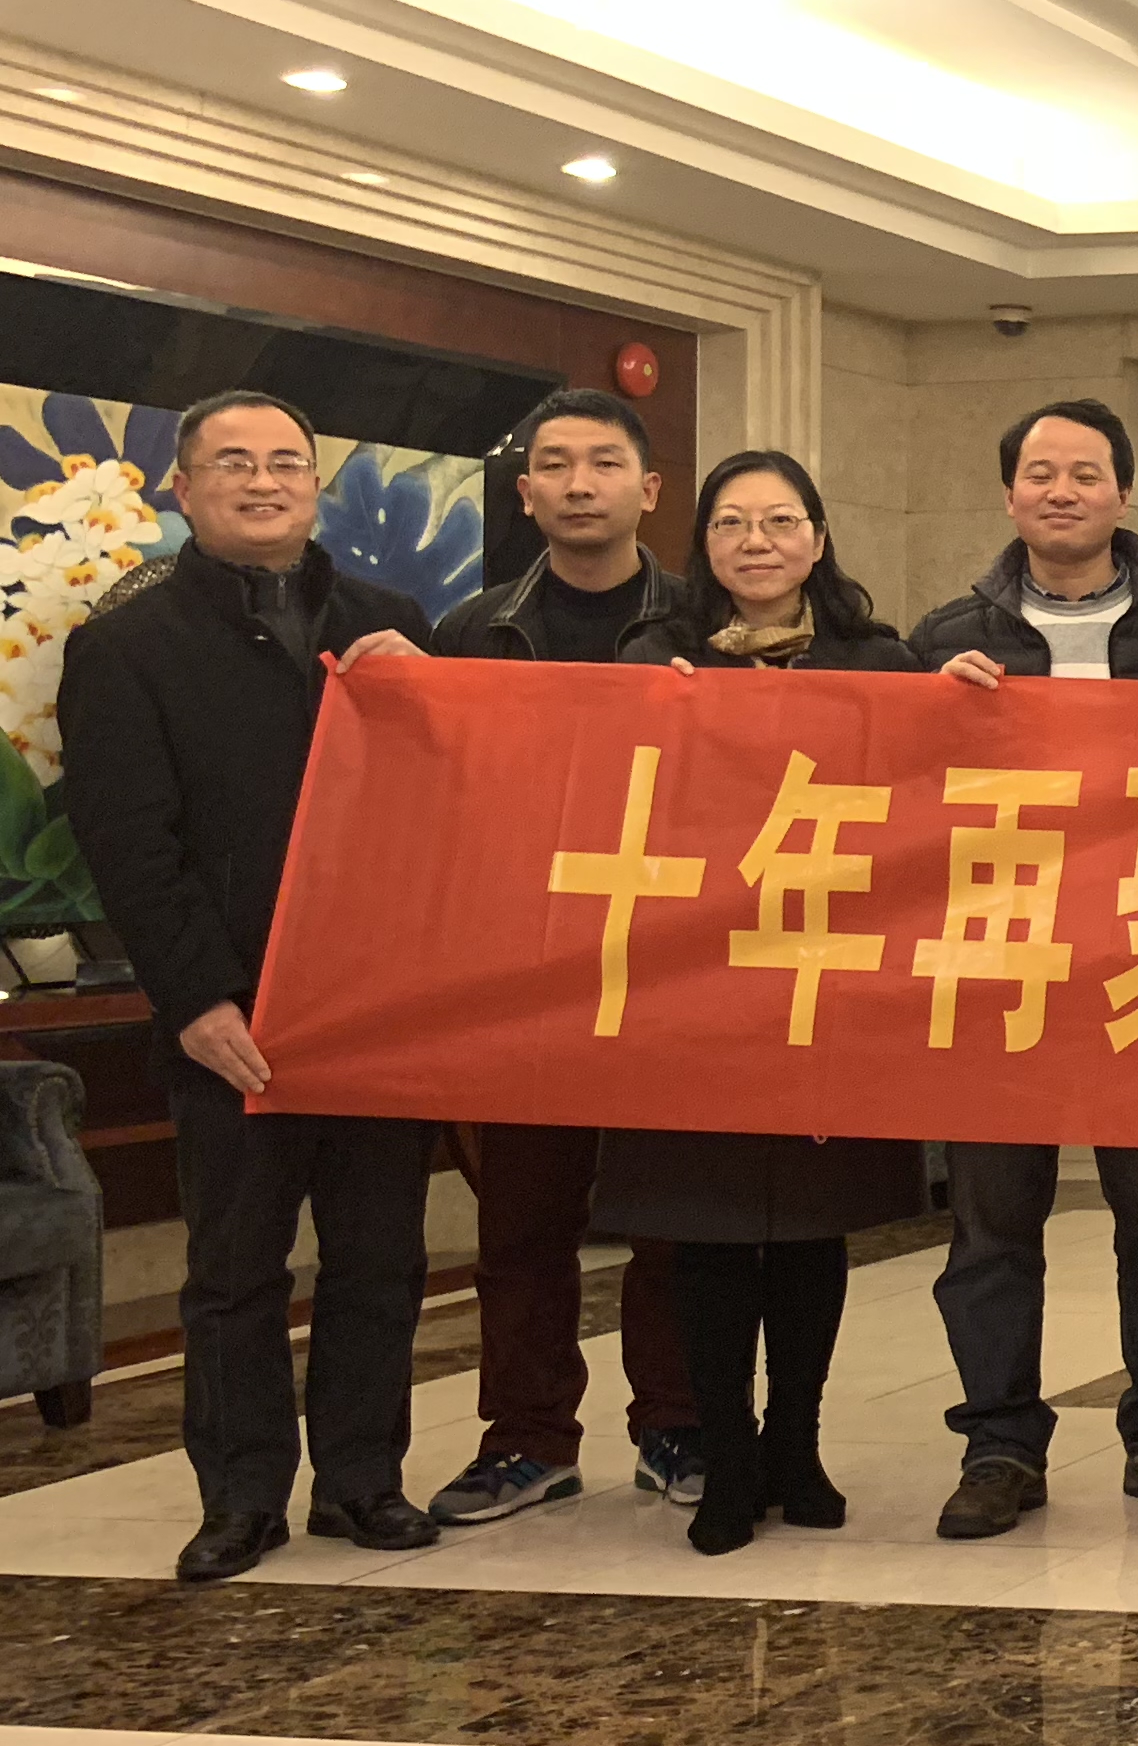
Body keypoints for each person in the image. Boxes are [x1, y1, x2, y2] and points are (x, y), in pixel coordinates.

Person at [55, 391, 441, 1583]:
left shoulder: (391, 625)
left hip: (378, 1008)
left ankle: (364, 1481)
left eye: (285, 463)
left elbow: (457, 806)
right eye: (234, 463)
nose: (263, 481)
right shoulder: (128, 647)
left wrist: (437, 694)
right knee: (234, 1275)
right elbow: (131, 846)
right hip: (232, 1017)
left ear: (315, 486)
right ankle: (239, 1496)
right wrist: (199, 1001)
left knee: (380, 1263)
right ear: (185, 489)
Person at [597, 451, 932, 1557]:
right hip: (696, 986)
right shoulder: (655, 656)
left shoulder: (880, 660)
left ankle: (798, 1443)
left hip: (832, 980)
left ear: (818, 539)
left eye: (780, 522)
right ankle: (725, 1457)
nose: (757, 542)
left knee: (808, 1229)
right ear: (704, 543)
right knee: (708, 1228)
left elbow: (927, 794)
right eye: (732, 523)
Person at [917, 398, 1138, 1541]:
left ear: (1123, 494)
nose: (1062, 491)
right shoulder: (944, 637)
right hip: (999, 963)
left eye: (1086, 474)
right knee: (991, 1229)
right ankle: (999, 1447)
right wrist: (927, 713)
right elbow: (894, 796)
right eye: (1041, 473)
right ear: (1009, 495)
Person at [424, 387, 701, 1522]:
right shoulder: (472, 632)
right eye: (555, 465)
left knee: (673, 1217)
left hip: (674, 964)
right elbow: (437, 800)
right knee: (522, 1223)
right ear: (527, 491)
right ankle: (527, 1438)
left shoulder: (706, 624)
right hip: (526, 971)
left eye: (604, 463)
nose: (579, 484)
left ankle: (677, 1423)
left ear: (650, 488)